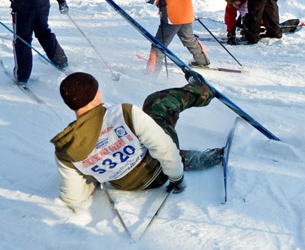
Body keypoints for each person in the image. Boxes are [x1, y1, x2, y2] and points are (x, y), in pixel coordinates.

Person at [51, 71, 223, 205]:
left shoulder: (66, 148)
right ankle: (202, 91)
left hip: (126, 184)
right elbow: (164, 148)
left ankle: (187, 159)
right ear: (96, 95)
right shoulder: (123, 113)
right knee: (157, 103)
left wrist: (94, 176)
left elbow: (72, 197)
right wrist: (177, 178)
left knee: (151, 140)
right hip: (159, 173)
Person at [144, 0, 209, 72]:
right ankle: (202, 61)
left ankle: (151, 74)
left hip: (171, 18)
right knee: (189, 39)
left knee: (158, 46)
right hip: (187, 15)